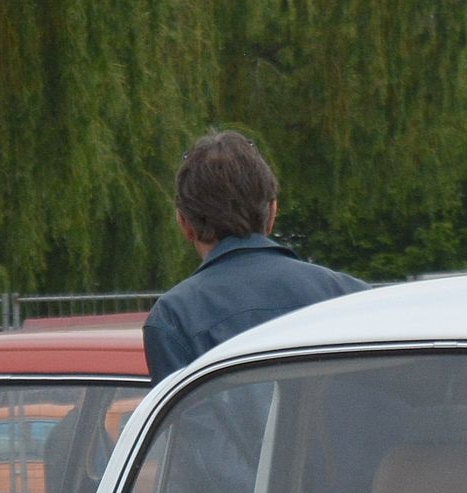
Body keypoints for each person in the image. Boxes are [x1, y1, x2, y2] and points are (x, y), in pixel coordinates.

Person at [141, 130, 366, 382]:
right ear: (272, 211)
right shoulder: (353, 297)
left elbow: (185, 419)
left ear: (184, 223)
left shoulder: (174, 319)